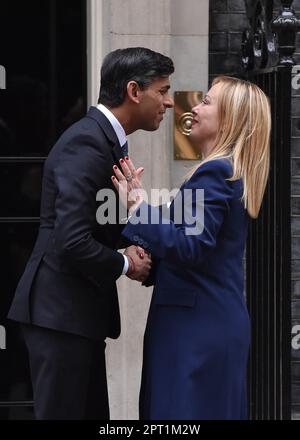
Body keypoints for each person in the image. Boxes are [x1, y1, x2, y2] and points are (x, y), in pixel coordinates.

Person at [7, 47, 174, 420]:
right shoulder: (87, 143)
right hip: (59, 316)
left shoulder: (103, 139)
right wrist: (125, 264)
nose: (169, 102)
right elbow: (71, 241)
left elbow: (93, 225)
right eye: (162, 91)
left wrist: (133, 240)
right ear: (134, 91)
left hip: (74, 317)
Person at [112, 76, 271, 420]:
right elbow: (200, 252)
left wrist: (139, 208)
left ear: (229, 120)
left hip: (195, 328)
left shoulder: (213, 172)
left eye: (208, 102)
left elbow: (191, 246)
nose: (194, 108)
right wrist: (148, 260)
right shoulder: (225, 171)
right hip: (206, 322)